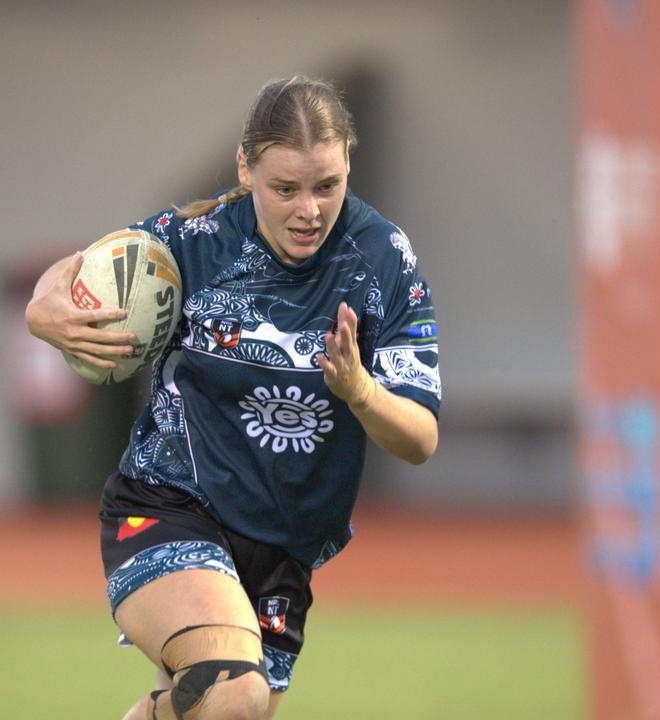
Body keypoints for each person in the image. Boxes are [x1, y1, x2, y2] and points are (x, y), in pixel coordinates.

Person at [26, 75, 441, 719]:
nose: (309, 210)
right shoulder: (196, 240)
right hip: (170, 507)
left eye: (327, 186)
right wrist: (43, 306)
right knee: (231, 691)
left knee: (219, 710)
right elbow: (93, 267)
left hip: (284, 552)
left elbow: (419, 439)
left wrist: (361, 392)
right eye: (286, 189)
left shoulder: (382, 259)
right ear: (245, 168)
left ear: (349, 165)